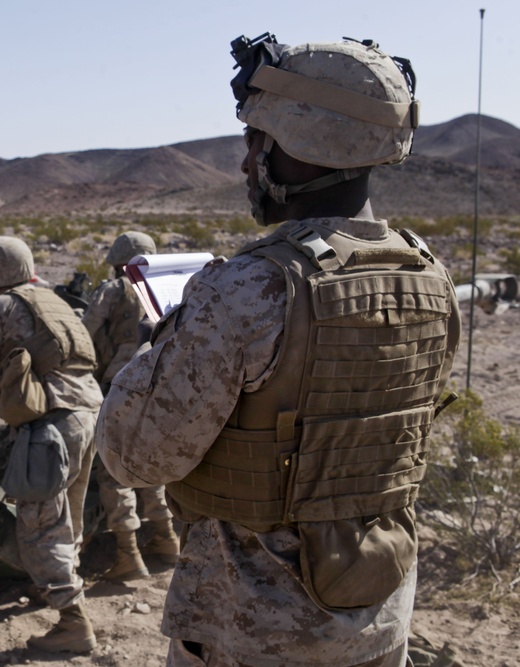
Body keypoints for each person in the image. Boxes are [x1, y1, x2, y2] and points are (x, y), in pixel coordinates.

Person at [97, 36, 461, 666]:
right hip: (378, 611)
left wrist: (162, 345)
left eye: (256, 141)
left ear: (299, 145)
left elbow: (136, 459)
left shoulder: (247, 288)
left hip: (255, 629)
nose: (245, 163)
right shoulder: (431, 278)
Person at [0, 236, 103, 653]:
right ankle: (56, 589)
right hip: (90, 413)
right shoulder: (53, 300)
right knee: (68, 513)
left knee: (39, 525)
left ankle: (73, 623)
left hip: (52, 426)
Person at [82, 231, 179, 581]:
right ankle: (167, 539)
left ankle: (128, 553)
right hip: (157, 385)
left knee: (113, 469)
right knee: (150, 461)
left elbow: (84, 335)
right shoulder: (167, 289)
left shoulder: (113, 290)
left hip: (118, 386)